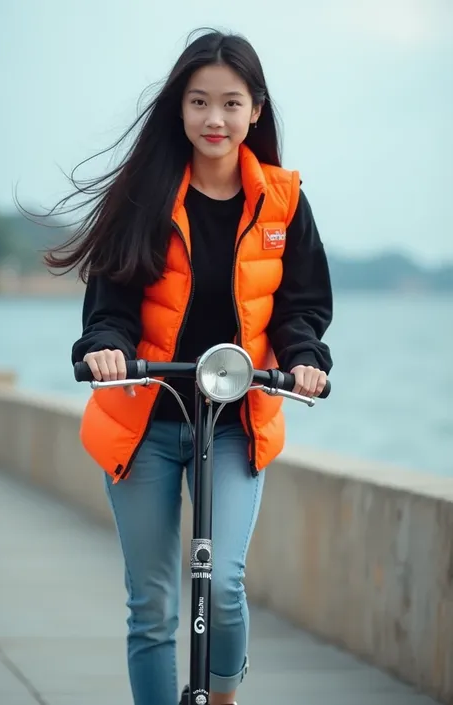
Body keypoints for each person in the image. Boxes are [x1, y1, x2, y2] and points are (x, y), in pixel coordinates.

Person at [44, 28, 333, 705]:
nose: (215, 119)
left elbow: (302, 305)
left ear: (255, 110)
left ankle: (223, 697)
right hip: (144, 417)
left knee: (223, 583)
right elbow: (109, 303)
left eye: (231, 104)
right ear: (180, 107)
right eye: (200, 102)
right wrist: (105, 348)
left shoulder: (283, 203)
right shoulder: (144, 195)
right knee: (152, 604)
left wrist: (305, 359)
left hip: (233, 421)